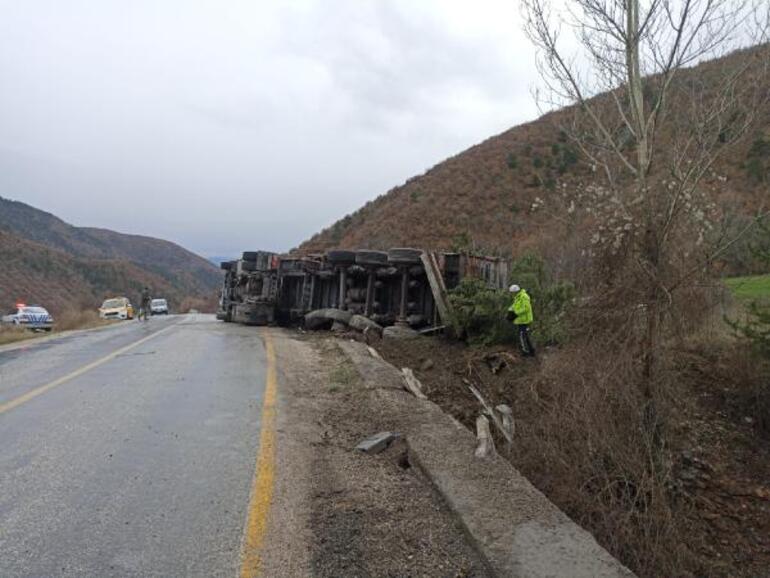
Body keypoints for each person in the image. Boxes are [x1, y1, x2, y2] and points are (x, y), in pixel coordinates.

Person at [507, 284, 535, 357]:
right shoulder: (517, 297)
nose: (511, 294)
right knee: (525, 335)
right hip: (521, 320)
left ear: (515, 291)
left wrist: (515, 313)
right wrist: (510, 310)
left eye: (512, 292)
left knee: (522, 336)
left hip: (524, 320)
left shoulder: (524, 297)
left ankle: (525, 352)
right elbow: (515, 306)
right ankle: (532, 351)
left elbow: (526, 308)